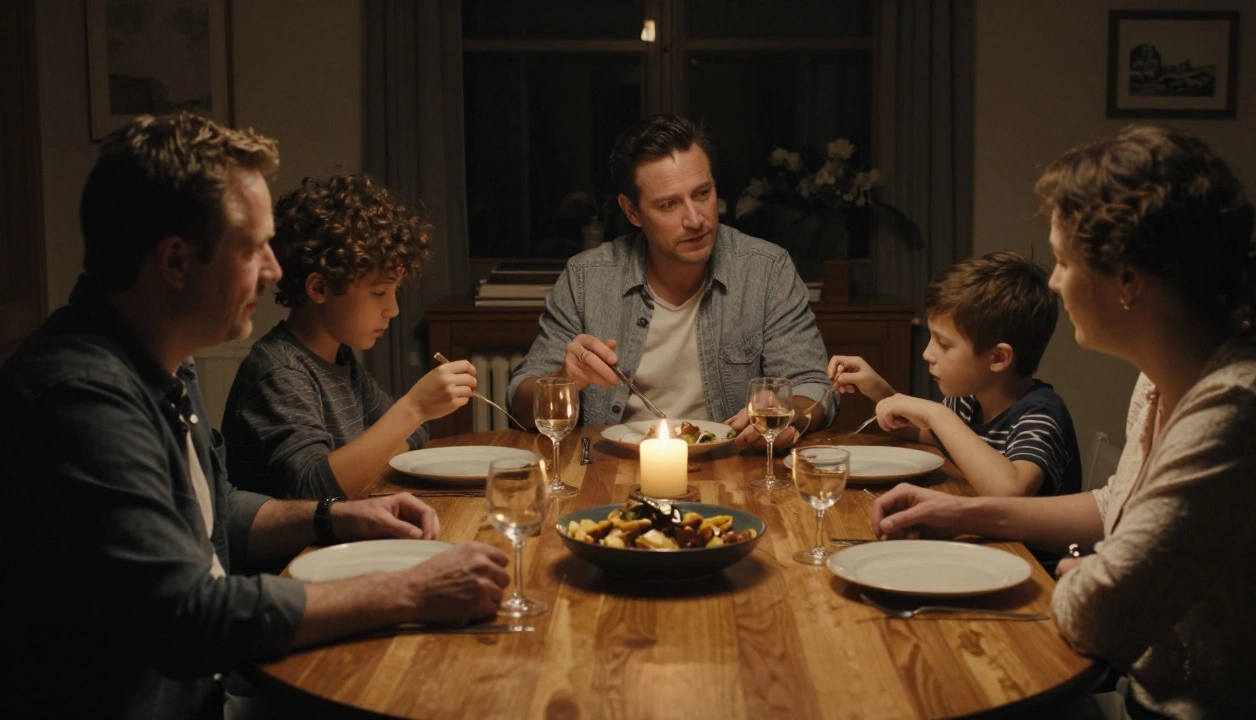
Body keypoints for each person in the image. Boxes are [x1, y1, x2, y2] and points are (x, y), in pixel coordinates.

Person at [0, 114, 509, 720]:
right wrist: (410, 589)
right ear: (176, 262)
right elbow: (188, 616)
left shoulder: (162, 363)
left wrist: (337, 517)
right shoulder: (80, 398)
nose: (273, 271)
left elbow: (222, 510)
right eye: (252, 248)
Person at [868, 126, 1256, 718]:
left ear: (1129, 280)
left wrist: (1085, 573)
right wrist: (961, 513)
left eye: (1064, 261)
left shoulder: (1239, 407)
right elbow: (1116, 507)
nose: (1055, 281)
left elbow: (1098, 616)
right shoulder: (1160, 380)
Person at [506, 114, 836, 449]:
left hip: (733, 469)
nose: (695, 220)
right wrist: (564, 380)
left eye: (703, 193)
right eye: (669, 204)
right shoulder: (586, 278)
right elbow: (518, 405)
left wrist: (786, 411)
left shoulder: (766, 270)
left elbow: (815, 387)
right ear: (632, 211)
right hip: (610, 472)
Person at [221, 174, 476, 500]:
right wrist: (413, 407)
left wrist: (411, 419)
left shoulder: (340, 360)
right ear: (320, 288)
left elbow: (416, 434)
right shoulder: (280, 370)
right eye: (379, 292)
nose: (393, 309)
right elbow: (314, 490)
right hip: (299, 552)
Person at [828, 251, 1081, 498]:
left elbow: (1010, 491)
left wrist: (938, 414)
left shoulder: (1041, 415)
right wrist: (881, 393)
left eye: (944, 344)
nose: (927, 353)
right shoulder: (968, 399)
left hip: (1015, 543)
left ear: (997, 358)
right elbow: (918, 433)